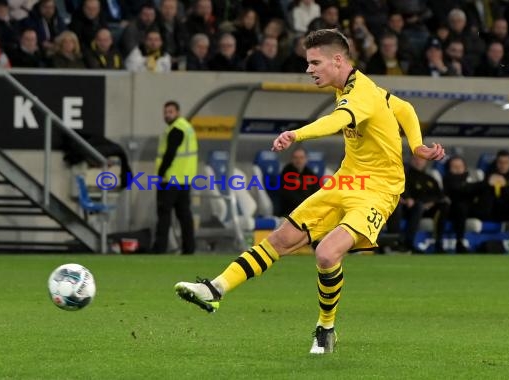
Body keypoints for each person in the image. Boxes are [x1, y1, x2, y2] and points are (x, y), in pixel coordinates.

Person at [174, 28, 445, 354]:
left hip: (378, 190)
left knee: (327, 253)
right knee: (280, 239)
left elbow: (336, 121)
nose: (309, 69)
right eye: (308, 63)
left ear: (337, 60)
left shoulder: (358, 96)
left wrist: (296, 135)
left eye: (315, 62)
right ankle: (215, 289)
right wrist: (416, 146)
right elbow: (403, 108)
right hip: (346, 181)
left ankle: (325, 328)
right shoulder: (362, 86)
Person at [152, 101, 198, 255]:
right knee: (184, 215)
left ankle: (159, 249)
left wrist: (160, 173)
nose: (167, 115)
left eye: (170, 112)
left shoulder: (176, 129)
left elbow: (169, 154)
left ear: (178, 112)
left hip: (170, 180)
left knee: (164, 215)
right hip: (184, 180)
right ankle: (189, 248)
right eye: (165, 112)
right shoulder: (186, 127)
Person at [398, 155, 449, 253]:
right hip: (410, 208)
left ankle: (439, 243)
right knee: (418, 206)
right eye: (416, 159)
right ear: (411, 161)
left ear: (426, 162)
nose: (418, 162)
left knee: (444, 206)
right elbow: (403, 191)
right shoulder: (405, 176)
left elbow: (440, 196)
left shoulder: (430, 179)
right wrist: (411, 199)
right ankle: (408, 242)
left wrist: (430, 203)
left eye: (421, 160)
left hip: (428, 208)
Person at [277, 147, 320, 216]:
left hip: (308, 210)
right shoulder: (286, 174)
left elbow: (317, 192)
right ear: (291, 160)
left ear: (306, 159)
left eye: (301, 158)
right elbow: (290, 196)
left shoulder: (310, 174)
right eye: (295, 158)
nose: (298, 160)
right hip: (290, 212)